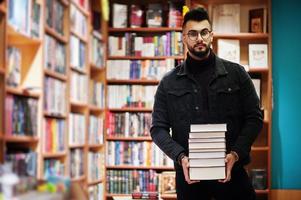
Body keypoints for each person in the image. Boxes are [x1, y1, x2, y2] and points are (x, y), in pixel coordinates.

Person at [150, 7, 263, 200]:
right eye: (192, 34)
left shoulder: (237, 75)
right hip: (189, 180)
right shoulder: (168, 83)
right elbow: (157, 129)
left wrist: (235, 154)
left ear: (211, 35)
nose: (199, 38)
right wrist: (181, 157)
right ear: (184, 38)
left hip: (233, 176)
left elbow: (254, 118)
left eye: (204, 32)